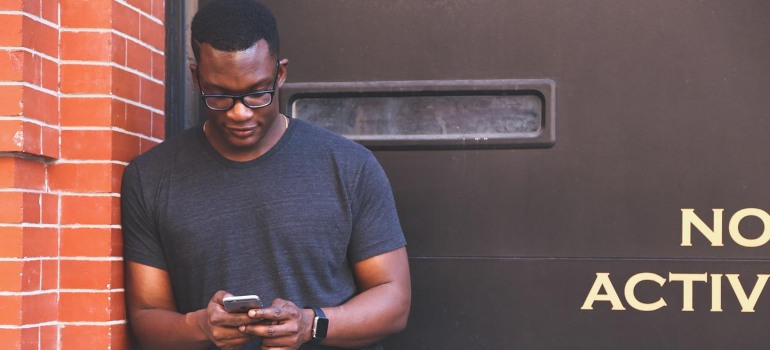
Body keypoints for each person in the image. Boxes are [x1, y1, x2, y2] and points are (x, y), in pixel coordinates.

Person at [120, 1, 411, 349]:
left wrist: (310, 324)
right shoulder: (151, 177)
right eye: (221, 95)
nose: (240, 113)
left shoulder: (350, 167)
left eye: (257, 93)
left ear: (281, 74)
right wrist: (200, 325)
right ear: (196, 77)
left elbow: (394, 301)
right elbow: (147, 317)